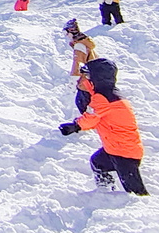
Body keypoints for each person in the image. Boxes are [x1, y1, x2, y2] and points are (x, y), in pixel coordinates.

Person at [57, 58, 148, 194]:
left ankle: (145, 209)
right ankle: (106, 193)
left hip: (124, 152)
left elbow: (91, 119)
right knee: (98, 162)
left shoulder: (103, 99)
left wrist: (75, 126)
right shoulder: (108, 94)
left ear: (97, 79)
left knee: (135, 192)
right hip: (115, 148)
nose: (83, 78)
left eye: (87, 75)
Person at [63, 19, 101, 113]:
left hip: (85, 83)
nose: (66, 36)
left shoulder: (79, 46)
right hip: (94, 79)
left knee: (83, 106)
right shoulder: (85, 43)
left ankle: (85, 125)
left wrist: (73, 82)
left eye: (65, 32)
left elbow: (78, 64)